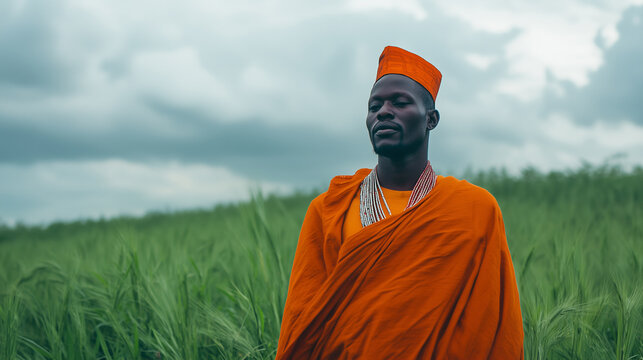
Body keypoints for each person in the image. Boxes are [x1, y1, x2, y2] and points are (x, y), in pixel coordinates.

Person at [275, 46, 524, 359]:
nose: (383, 112)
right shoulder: (329, 209)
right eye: (374, 106)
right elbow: (303, 322)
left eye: (400, 102)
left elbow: (493, 323)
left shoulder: (474, 210)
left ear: (431, 119)